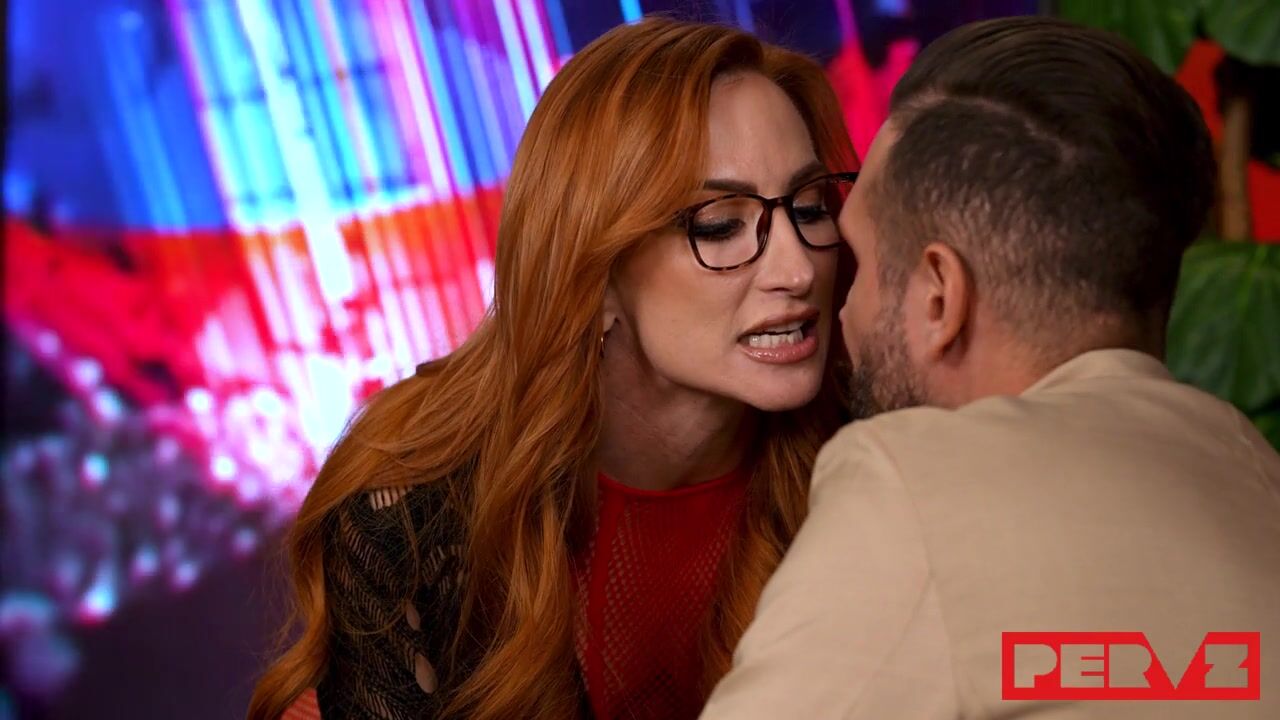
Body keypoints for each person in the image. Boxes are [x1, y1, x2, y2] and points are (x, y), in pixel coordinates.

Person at [248, 16, 860, 720]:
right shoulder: (413, 505)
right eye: (719, 224)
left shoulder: (869, 447)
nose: (797, 269)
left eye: (810, 208)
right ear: (595, 275)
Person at [699, 15, 1280, 720]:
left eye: (862, 264)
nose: (836, 306)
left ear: (941, 297)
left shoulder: (912, 486)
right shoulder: (1253, 465)